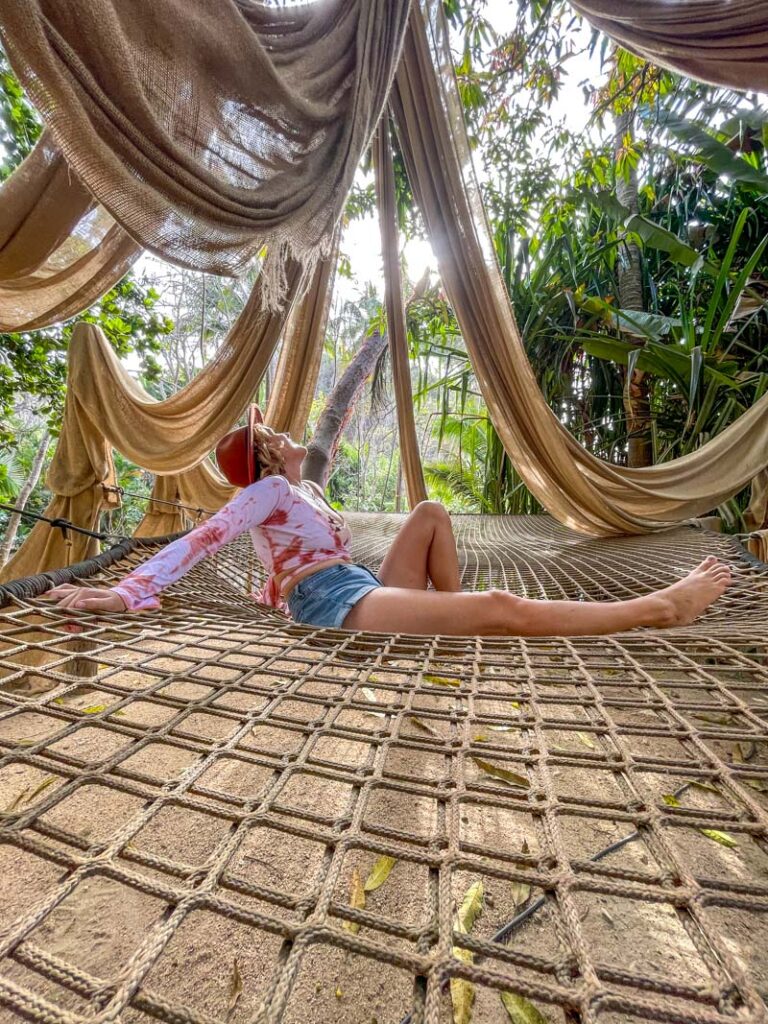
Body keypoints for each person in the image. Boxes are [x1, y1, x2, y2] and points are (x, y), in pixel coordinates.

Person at [47, 407, 732, 636]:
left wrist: (272, 581)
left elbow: (279, 554)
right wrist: (129, 590)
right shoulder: (262, 494)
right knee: (502, 606)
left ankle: (450, 615)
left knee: (432, 511)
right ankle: (657, 609)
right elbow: (205, 538)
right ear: (262, 452)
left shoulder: (301, 493)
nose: (287, 433)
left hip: (354, 583)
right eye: (276, 432)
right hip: (331, 600)